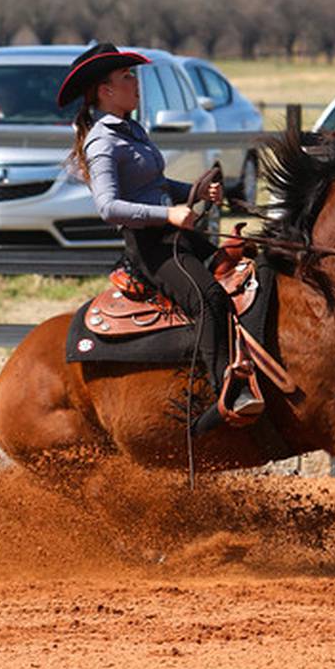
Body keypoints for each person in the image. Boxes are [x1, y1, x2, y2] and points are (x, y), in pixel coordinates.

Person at [58, 42, 264, 432]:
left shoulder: (132, 129)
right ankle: (225, 393)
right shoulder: (103, 142)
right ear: (106, 90)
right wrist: (167, 212)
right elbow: (108, 207)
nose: (136, 83)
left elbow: (156, 180)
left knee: (239, 267)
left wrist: (196, 191)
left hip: (171, 234)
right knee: (208, 297)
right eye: (126, 77)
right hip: (149, 247)